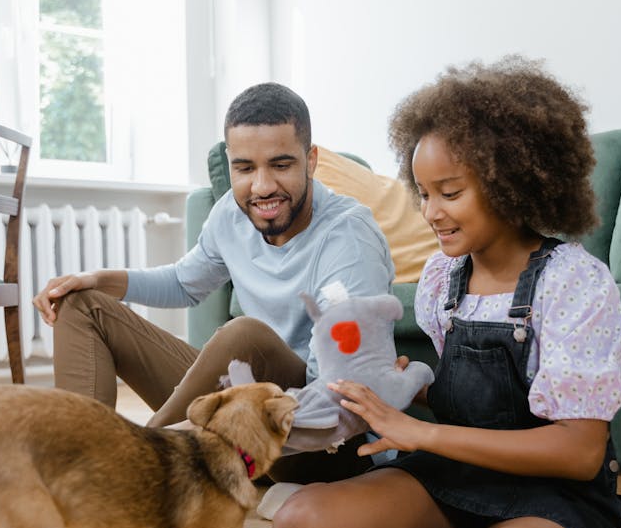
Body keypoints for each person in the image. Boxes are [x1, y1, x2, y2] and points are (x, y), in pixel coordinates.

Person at [245, 57, 621, 528]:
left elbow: (578, 452)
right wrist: (403, 394)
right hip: (452, 479)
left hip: (549, 498)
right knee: (299, 525)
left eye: (449, 192)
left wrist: (421, 431)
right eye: (423, 194)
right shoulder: (441, 280)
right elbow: (484, 398)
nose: (431, 214)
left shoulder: (574, 281)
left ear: (510, 181)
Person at [32, 82, 395, 481]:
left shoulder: (349, 238)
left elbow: (341, 394)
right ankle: (76, 466)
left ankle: (132, 466)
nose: (262, 186)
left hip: (319, 439)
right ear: (231, 162)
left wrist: (250, 416)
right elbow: (185, 283)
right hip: (243, 406)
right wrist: (98, 279)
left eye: (281, 164)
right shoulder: (232, 213)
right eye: (244, 168)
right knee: (82, 302)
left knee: (244, 337)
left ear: (311, 161)